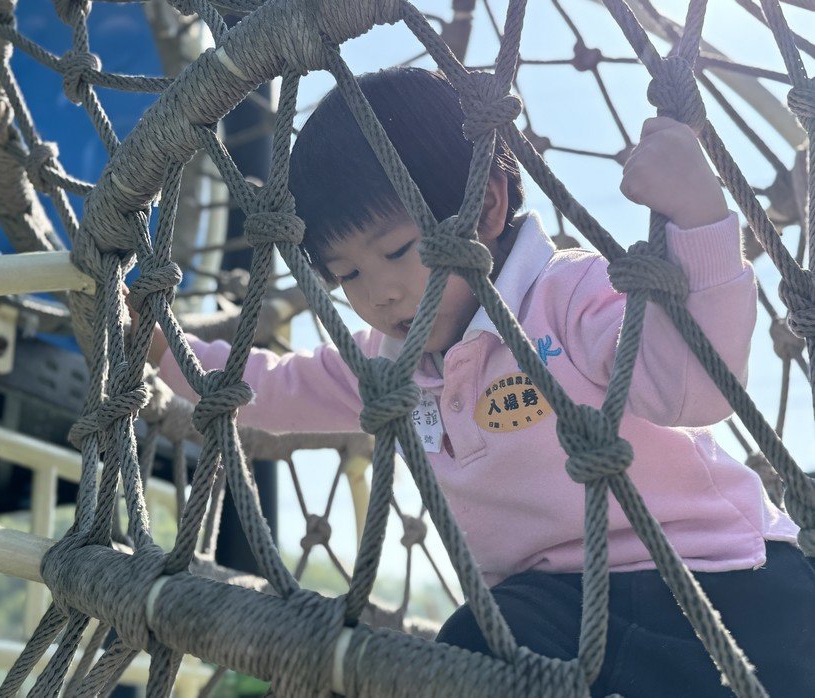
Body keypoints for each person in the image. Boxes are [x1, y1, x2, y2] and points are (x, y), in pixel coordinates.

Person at [135, 68, 815, 696]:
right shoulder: (392, 363)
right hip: (555, 607)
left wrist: (698, 220)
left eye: (396, 251)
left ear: (484, 207)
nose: (378, 293)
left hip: (722, 577)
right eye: (347, 275)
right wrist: (166, 349)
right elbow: (280, 387)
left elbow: (696, 390)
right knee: (469, 653)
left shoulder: (567, 294)